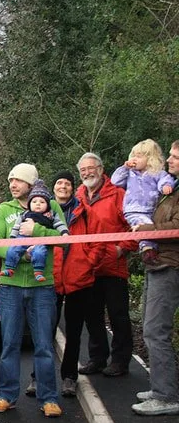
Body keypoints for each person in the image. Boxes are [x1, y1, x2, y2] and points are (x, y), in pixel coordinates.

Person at [0, 163, 65, 418]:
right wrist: (21, 256)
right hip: (10, 286)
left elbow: (64, 239)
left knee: (43, 345)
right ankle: (5, 395)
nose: (13, 184)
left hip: (42, 286)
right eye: (11, 180)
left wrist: (37, 231)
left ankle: (49, 398)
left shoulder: (51, 206)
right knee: (10, 344)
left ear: (31, 184)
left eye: (18, 180)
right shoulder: (5, 209)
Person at [62, 153, 134, 381]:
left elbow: (134, 226)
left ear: (101, 169)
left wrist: (121, 249)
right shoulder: (78, 196)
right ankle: (97, 357)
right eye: (82, 170)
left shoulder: (118, 195)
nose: (87, 173)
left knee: (118, 315)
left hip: (112, 266)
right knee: (91, 315)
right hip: (87, 267)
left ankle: (120, 360)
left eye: (91, 168)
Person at [131, 139, 179, 415]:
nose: (169, 160)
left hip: (170, 266)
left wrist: (147, 229)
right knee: (152, 329)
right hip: (157, 263)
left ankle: (166, 396)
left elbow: (174, 227)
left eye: (175, 157)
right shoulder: (171, 188)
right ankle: (161, 387)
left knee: (156, 331)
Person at [27, 169, 78, 397]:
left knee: (74, 332)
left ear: (73, 187)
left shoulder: (81, 209)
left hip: (77, 275)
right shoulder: (41, 208)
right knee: (44, 331)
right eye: (59, 183)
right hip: (51, 276)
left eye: (67, 183)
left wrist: (89, 262)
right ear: (53, 187)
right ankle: (37, 377)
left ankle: (69, 377)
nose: (63, 187)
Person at [111, 139, 175, 264]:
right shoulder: (130, 173)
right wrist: (125, 167)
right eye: (133, 155)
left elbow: (165, 180)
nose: (135, 159)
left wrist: (166, 186)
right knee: (144, 226)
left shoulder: (157, 173)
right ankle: (147, 250)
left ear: (150, 159)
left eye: (139, 156)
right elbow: (115, 181)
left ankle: (151, 249)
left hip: (152, 210)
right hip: (134, 209)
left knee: (152, 228)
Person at [0, 179, 69, 282]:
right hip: (22, 238)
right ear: (30, 204)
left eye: (42, 202)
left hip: (40, 241)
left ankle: (38, 271)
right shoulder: (24, 214)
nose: (38, 204)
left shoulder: (50, 215)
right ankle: (9, 268)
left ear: (47, 204)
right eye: (34, 202)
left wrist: (64, 233)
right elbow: (16, 226)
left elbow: (60, 225)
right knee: (13, 249)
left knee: (40, 252)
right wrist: (13, 237)